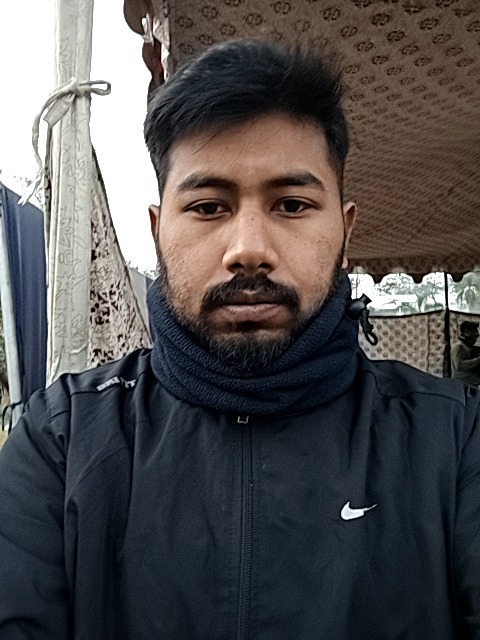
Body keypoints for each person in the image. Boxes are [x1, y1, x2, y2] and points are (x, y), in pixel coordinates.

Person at [0, 39, 479, 640]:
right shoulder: (62, 440)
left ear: (345, 231)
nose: (248, 249)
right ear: (158, 231)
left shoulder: (454, 440)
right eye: (208, 207)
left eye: (292, 204)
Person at [452, 320, 480, 386]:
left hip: (472, 381)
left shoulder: (469, 347)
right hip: (462, 383)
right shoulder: (458, 346)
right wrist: (478, 360)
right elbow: (459, 365)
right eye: (475, 332)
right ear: (466, 332)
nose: (477, 334)